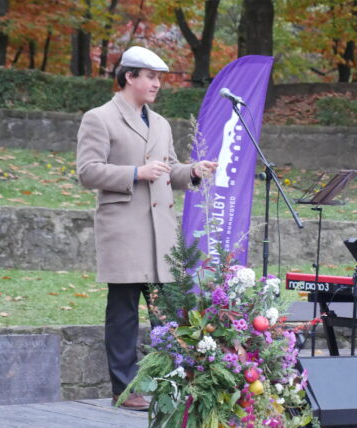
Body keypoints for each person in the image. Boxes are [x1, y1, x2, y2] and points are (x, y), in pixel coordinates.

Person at [76, 46, 217, 410]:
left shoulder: (161, 124)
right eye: (151, 77)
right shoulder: (99, 118)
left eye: (159, 78)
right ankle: (124, 389)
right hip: (124, 231)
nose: (157, 84)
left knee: (167, 315)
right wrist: (136, 173)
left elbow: (169, 170)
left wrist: (193, 171)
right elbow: (87, 171)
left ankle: (169, 385)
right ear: (129, 77)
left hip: (161, 234)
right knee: (123, 314)